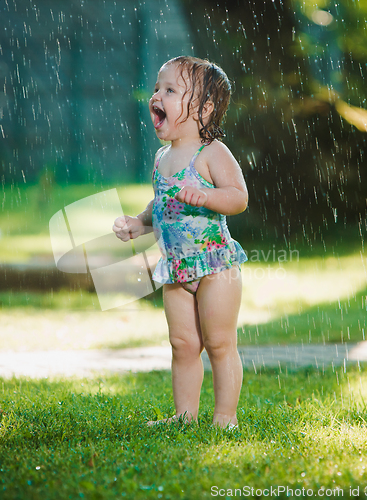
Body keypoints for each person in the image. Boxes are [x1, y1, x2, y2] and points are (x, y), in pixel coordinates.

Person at [112, 56, 248, 429]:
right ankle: (184, 416)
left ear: (203, 109)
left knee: (220, 344)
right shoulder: (161, 158)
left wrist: (206, 197)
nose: (157, 95)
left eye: (170, 90)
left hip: (215, 267)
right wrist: (139, 224)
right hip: (175, 268)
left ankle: (225, 417)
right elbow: (163, 203)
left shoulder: (212, 153)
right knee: (183, 345)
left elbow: (238, 197)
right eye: (157, 88)